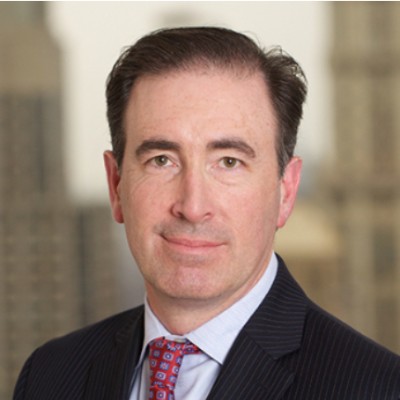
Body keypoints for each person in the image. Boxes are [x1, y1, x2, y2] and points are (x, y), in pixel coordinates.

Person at [14, 26, 400, 400]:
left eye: (229, 162)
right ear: (116, 184)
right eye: (161, 160)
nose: (193, 207)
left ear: (286, 190)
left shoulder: (378, 389)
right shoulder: (49, 376)